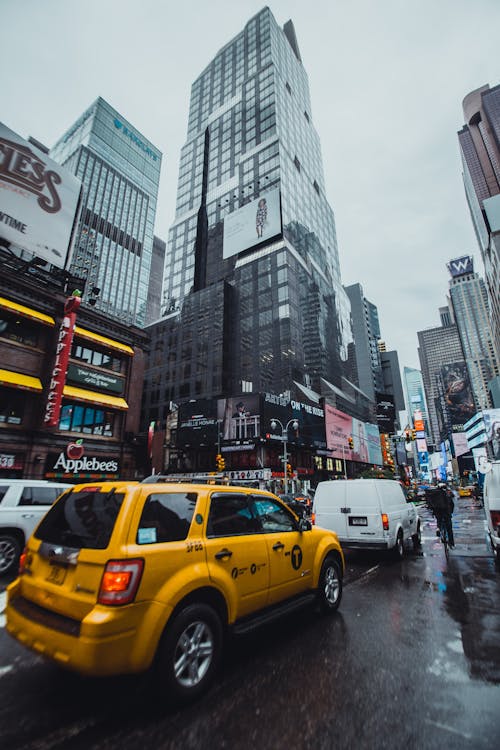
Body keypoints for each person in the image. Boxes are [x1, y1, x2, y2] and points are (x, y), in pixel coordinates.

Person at [427, 482, 455, 548]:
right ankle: (451, 543)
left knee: (439, 521)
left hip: (438, 513)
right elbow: (452, 504)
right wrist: (451, 512)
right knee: (449, 528)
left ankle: (438, 528)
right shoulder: (447, 494)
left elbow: (431, 505)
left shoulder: (434, 494)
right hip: (446, 513)